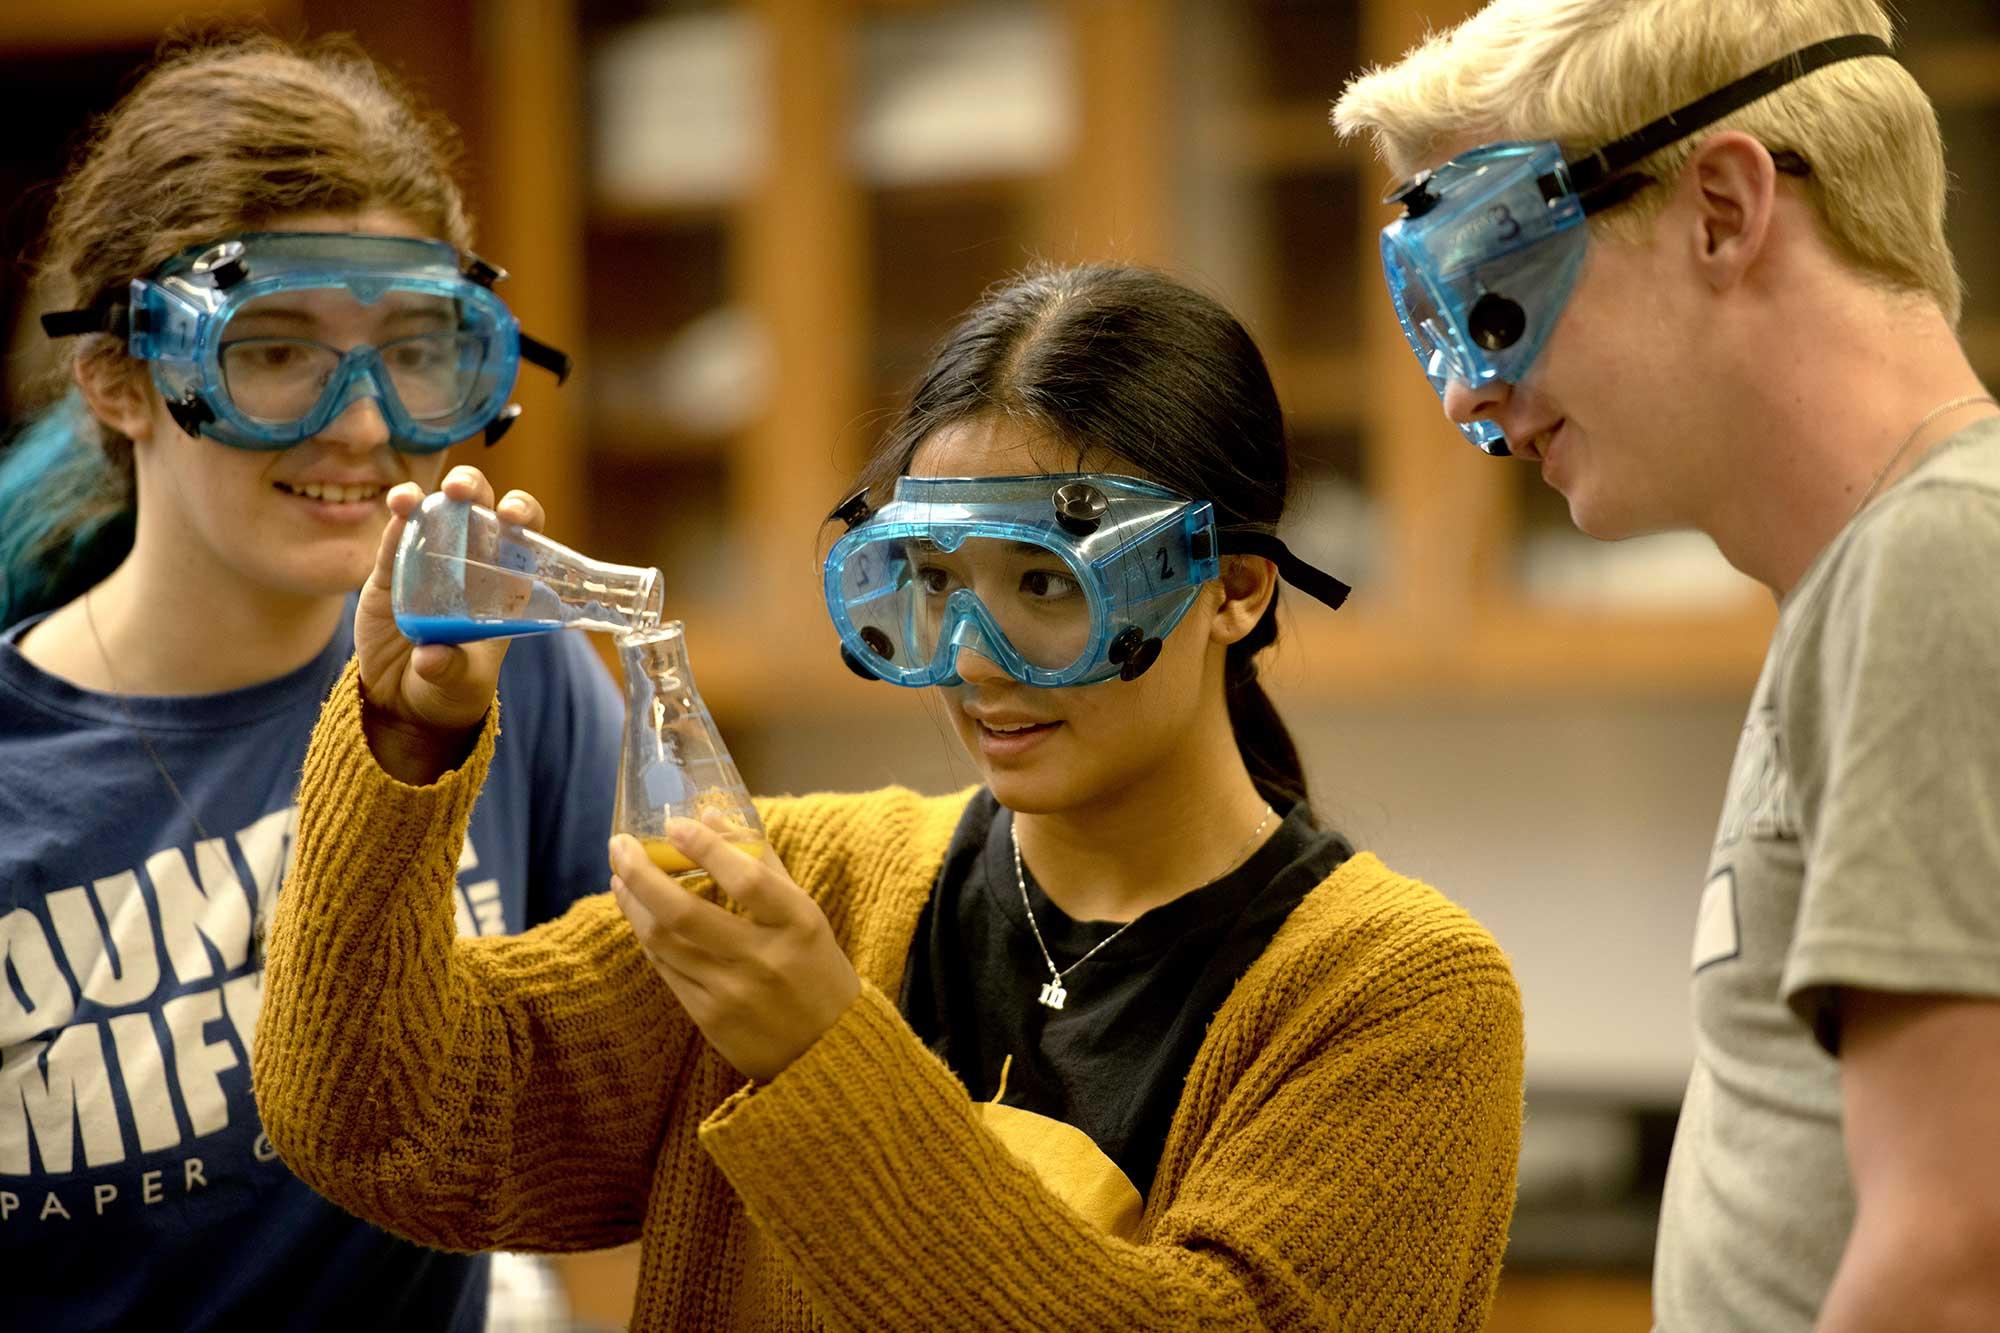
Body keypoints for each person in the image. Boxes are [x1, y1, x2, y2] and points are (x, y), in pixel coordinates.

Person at [251, 264, 1526, 1331]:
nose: (970, 658)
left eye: (1044, 585)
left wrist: (819, 1058)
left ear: (1232, 590)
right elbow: (375, 1119)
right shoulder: (804, 883)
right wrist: (411, 736)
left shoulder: (1399, 999)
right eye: (928, 582)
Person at [1333, 2, 2000, 1329]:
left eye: (1499, 282)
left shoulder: (1940, 553)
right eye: (1444, 317)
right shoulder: (1868, 577)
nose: (1468, 391)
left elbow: (1955, 1247)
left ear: (1721, 210)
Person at [0, 34, 622, 1332]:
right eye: (274, 352)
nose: (360, 421)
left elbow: (634, 1106)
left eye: (414, 348)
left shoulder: (507, 679)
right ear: (120, 379)